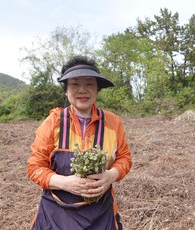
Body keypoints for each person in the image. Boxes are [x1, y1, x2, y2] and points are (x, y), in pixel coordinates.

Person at [27, 55, 132, 230]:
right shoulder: (53, 123)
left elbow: (125, 159)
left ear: (97, 89)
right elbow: (34, 167)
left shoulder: (113, 123)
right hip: (55, 216)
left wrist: (111, 175)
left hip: (102, 214)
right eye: (75, 84)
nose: (82, 90)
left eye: (89, 83)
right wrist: (64, 183)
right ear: (66, 91)